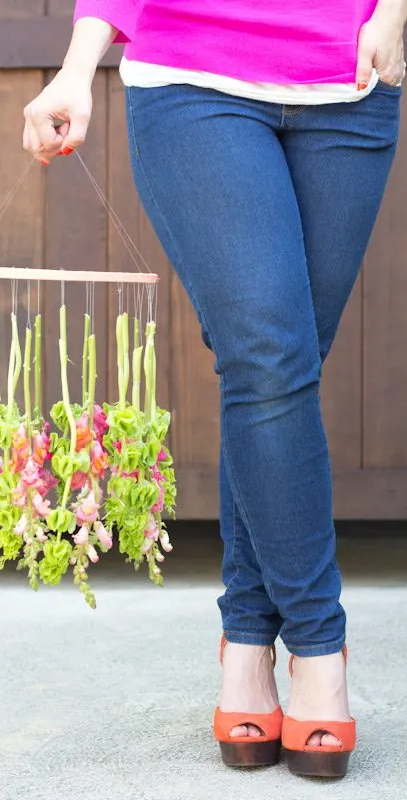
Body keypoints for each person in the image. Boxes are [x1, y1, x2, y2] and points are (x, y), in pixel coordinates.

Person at [22, 0, 406, 779]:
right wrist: (78, 62)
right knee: (267, 357)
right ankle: (318, 650)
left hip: (352, 78)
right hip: (195, 75)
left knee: (277, 370)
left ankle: (245, 645)